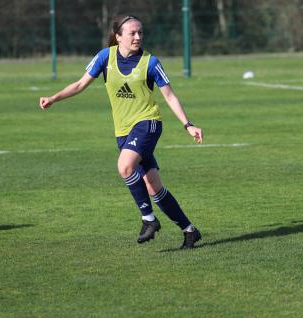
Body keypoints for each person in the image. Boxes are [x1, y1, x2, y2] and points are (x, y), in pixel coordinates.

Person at [39, 15, 203, 249]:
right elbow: (79, 84)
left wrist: (189, 125)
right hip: (123, 131)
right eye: (132, 33)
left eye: (140, 33)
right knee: (152, 186)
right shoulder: (105, 57)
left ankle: (149, 219)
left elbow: (169, 96)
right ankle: (190, 230)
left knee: (124, 166)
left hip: (148, 124)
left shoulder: (151, 62)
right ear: (118, 37)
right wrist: (53, 98)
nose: (138, 37)